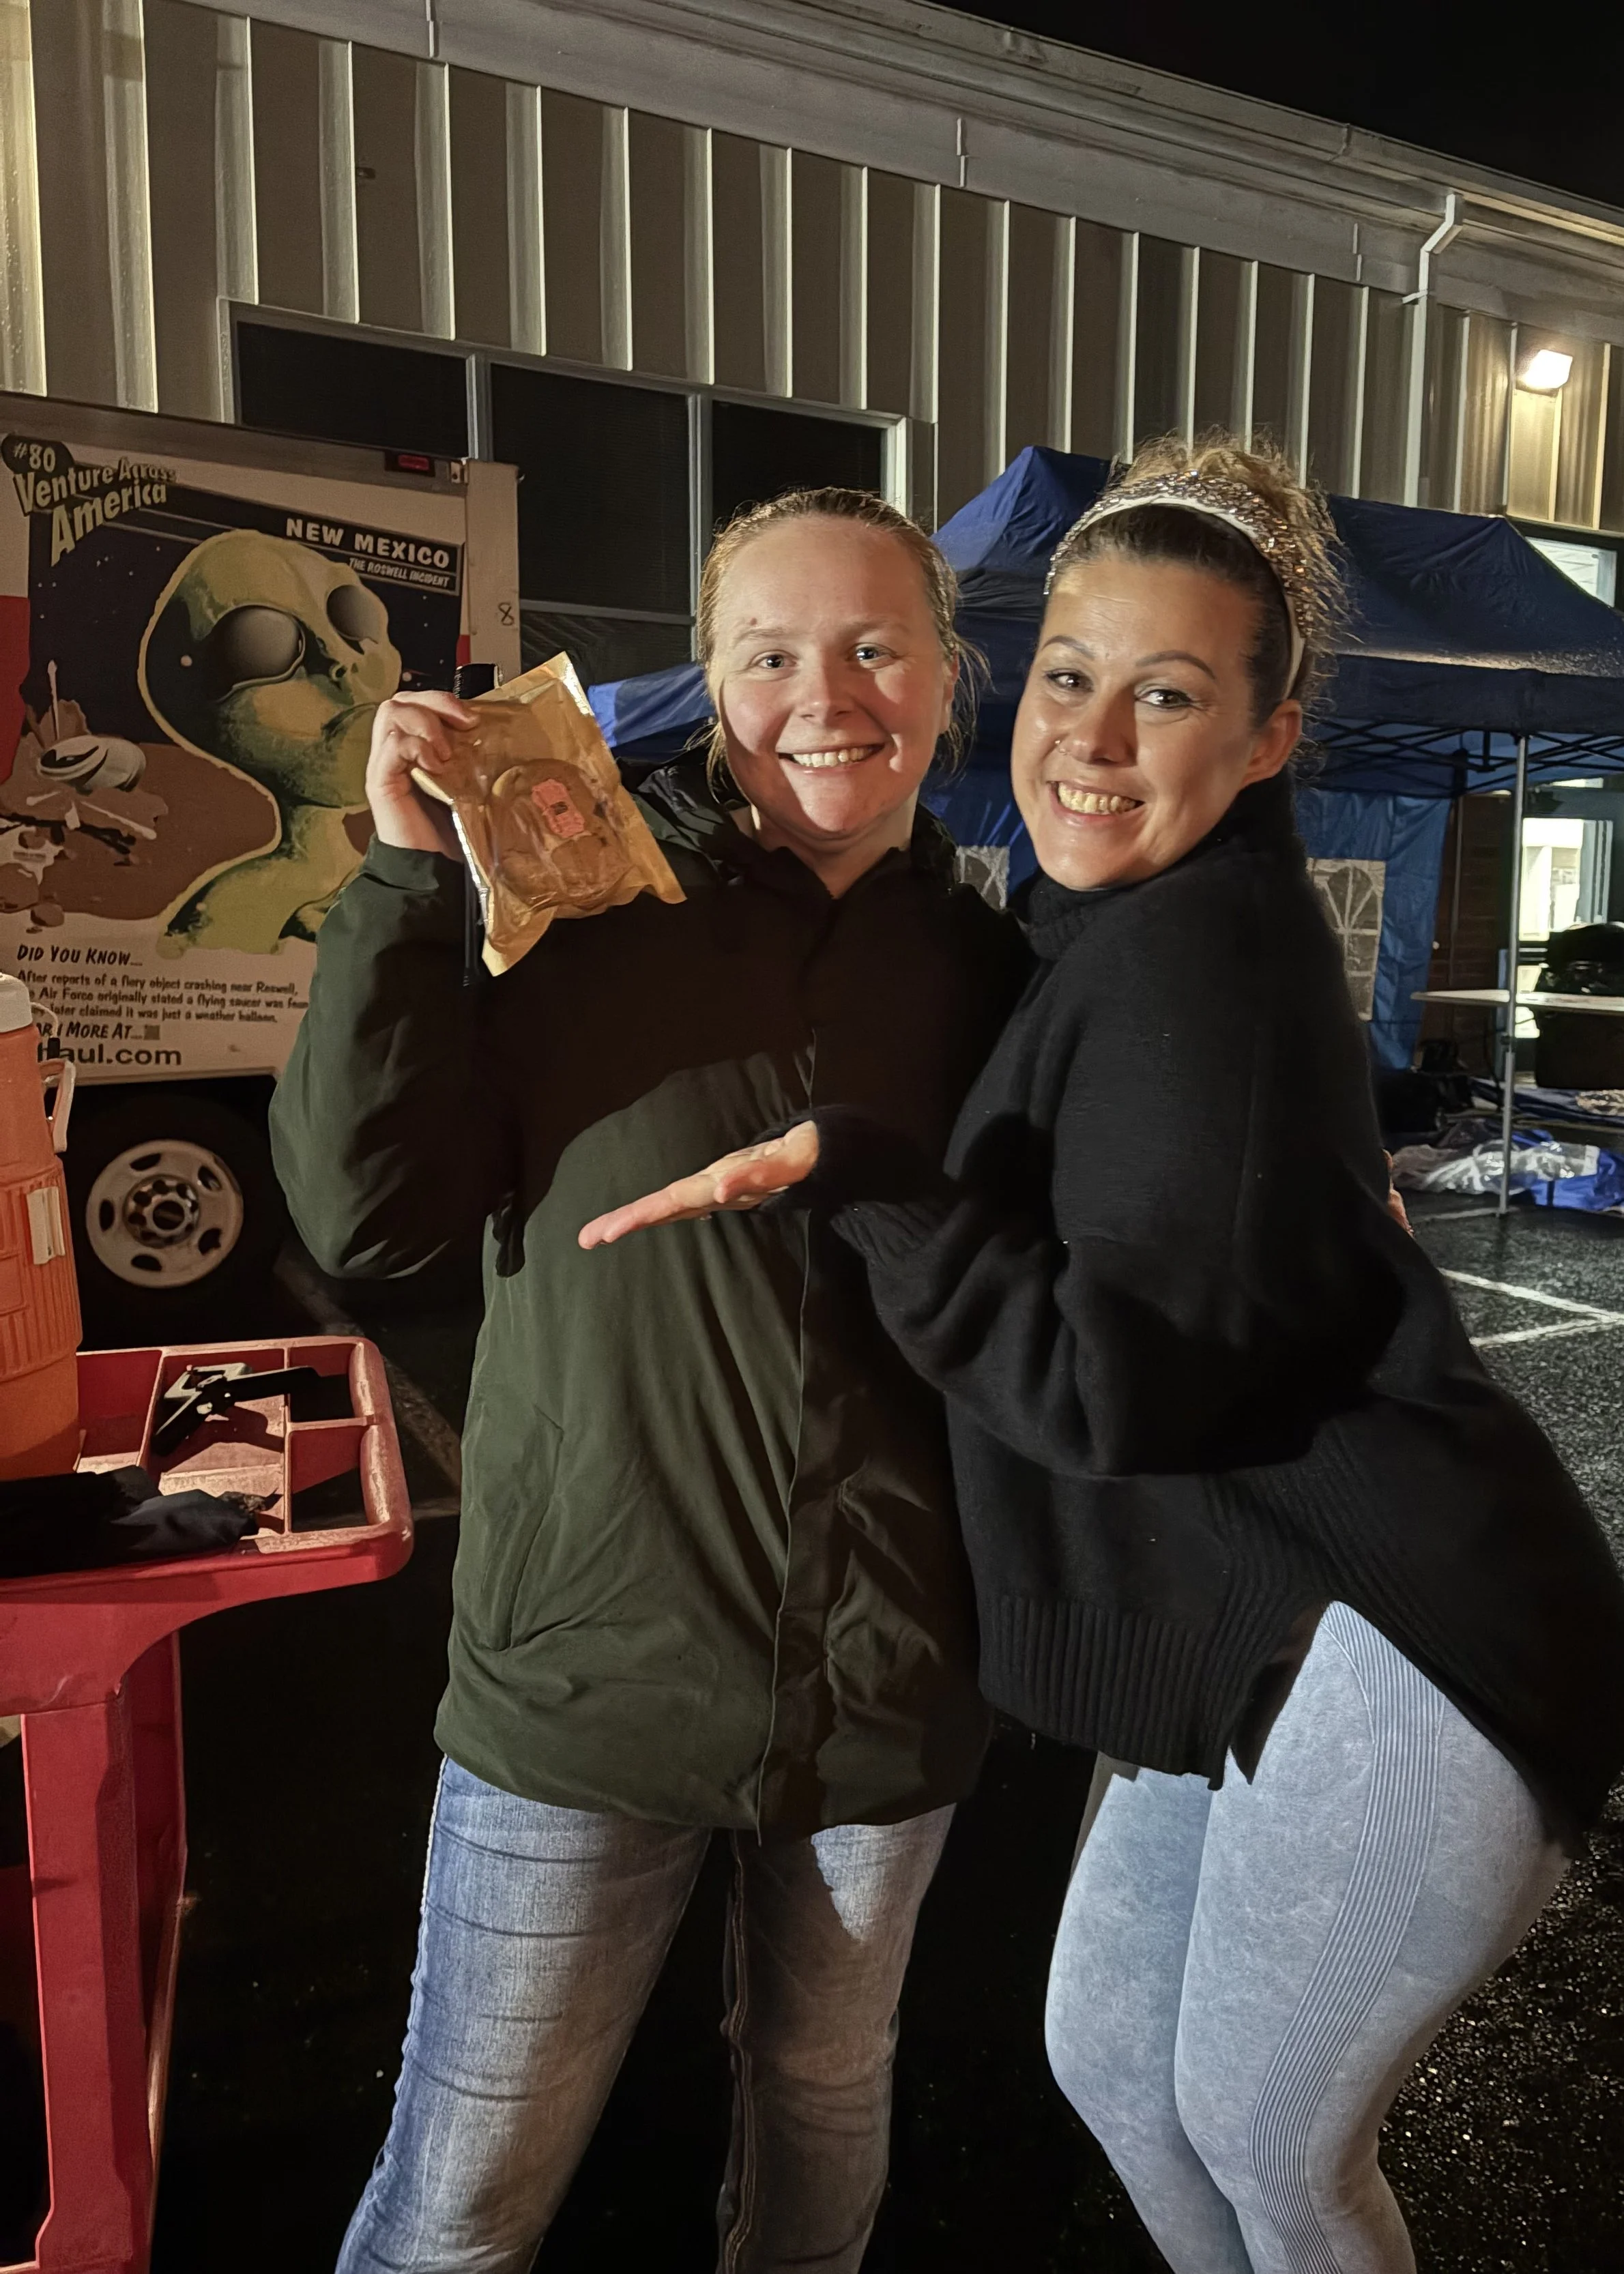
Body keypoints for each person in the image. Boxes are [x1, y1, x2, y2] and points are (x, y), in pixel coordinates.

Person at [581, 437, 1624, 2274]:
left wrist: (871, 1183)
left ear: (1264, 738)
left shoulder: (1196, 962)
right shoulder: (1103, 929)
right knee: (1112, 2061)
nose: (1087, 734)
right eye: (1068, 675)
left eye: (1165, 695)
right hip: (1260, 1618)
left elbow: (1112, 1384)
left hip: (1413, 1637)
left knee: (1259, 2126)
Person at [270, 486, 1028, 2274]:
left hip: (887, 1690)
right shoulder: (575, 903)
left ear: (944, 676)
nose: (824, 690)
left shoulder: (996, 968)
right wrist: (399, 878)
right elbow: (366, 1221)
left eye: (872, 644)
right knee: (461, 2196)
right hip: (585, 1683)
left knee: (823, 2109)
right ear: (708, 678)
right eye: (770, 651)